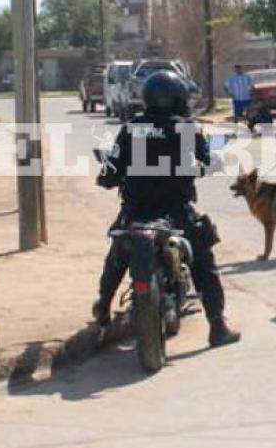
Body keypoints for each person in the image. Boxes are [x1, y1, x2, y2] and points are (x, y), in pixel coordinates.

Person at [94, 70, 240, 348]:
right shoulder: (185, 128)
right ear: (176, 98)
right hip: (175, 213)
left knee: (118, 254)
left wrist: (109, 177)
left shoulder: (131, 129)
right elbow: (208, 161)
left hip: (136, 211)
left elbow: (108, 175)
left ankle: (102, 308)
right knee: (203, 259)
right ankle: (218, 326)